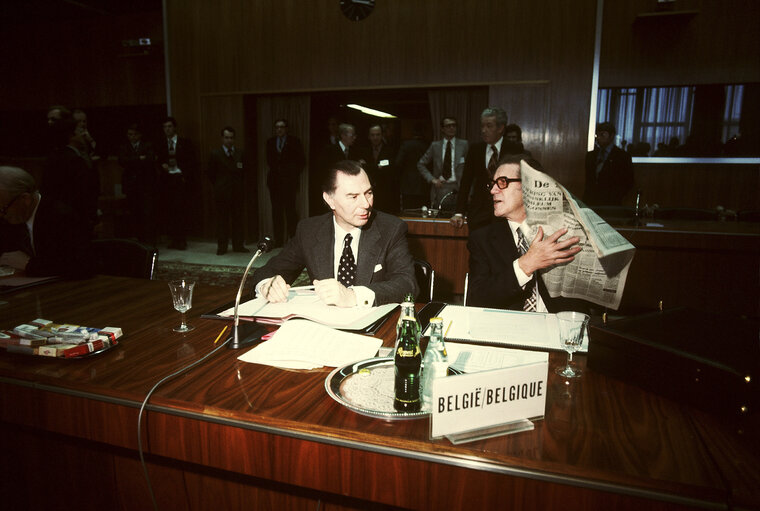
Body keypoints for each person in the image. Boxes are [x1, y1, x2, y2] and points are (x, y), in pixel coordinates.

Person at [252, 160, 418, 307]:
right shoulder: (309, 230)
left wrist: (352, 296)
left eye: (369, 193)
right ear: (329, 200)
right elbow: (266, 272)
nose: (366, 204)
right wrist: (268, 285)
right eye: (353, 197)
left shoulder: (391, 228)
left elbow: (407, 285)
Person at [467, 155, 582, 311]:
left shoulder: (563, 232)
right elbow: (479, 298)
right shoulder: (482, 239)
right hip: (509, 328)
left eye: (502, 182)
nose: (493, 190)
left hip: (558, 325)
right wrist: (525, 265)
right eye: (493, 184)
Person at [0, 166, 91, 278]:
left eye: (2, 209)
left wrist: (29, 264)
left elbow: (80, 266)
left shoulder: (61, 217)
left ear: (25, 199)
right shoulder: (13, 217)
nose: (1, 215)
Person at [451, 107, 508, 232]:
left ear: (500, 128)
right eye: (482, 126)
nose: (484, 130)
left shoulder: (513, 148)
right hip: (478, 214)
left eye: (489, 126)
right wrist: (459, 212)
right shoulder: (475, 149)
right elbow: (465, 182)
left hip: (504, 215)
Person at [41, 117, 100, 234]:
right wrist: (92, 219)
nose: (84, 135)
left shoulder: (53, 157)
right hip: (75, 219)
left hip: (56, 218)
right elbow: (83, 194)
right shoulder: (75, 160)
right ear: (71, 136)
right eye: (80, 131)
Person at [156, 116, 197, 250]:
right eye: (165, 127)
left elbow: (192, 161)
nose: (167, 129)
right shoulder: (161, 144)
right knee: (170, 211)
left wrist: (181, 168)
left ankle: (182, 240)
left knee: (181, 211)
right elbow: (156, 161)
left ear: (174, 128)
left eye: (169, 126)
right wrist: (162, 166)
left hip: (180, 179)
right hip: (167, 181)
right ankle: (173, 240)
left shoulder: (184, 143)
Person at [265, 119, 305, 246]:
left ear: (286, 128)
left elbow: (301, 161)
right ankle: (279, 240)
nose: (279, 129)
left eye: (281, 127)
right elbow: (269, 160)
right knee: (276, 212)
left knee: (290, 211)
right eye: (277, 127)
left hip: (289, 182)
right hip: (275, 182)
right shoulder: (270, 142)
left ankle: (293, 239)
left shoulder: (294, 142)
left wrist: (291, 173)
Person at [208, 126, 247, 254]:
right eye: (226, 137)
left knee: (238, 220)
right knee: (222, 221)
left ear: (234, 139)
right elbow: (211, 174)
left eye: (231, 138)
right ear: (222, 139)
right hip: (222, 193)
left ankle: (238, 245)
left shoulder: (240, 153)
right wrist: (219, 186)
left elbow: (246, 173)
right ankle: (222, 247)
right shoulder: (215, 154)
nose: (229, 140)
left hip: (237, 193)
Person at [118, 123, 157, 245]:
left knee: (147, 213)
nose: (132, 137)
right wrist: (139, 159)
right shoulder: (124, 147)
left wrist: (133, 160)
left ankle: (149, 241)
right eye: (130, 134)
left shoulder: (147, 145)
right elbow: (123, 161)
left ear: (140, 135)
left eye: (135, 134)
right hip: (131, 185)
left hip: (146, 185)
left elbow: (150, 160)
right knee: (134, 213)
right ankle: (139, 240)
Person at [417, 116, 468, 208]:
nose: (452, 128)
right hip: (440, 187)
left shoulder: (464, 145)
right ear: (442, 129)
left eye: (454, 125)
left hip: (458, 187)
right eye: (448, 126)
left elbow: (470, 166)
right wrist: (432, 179)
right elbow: (421, 164)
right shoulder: (435, 146)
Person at [583, 122, 634, 206]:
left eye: (602, 135)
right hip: (591, 203)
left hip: (612, 204)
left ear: (612, 136)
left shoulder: (622, 156)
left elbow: (628, 182)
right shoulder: (591, 156)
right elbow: (589, 182)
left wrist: (616, 197)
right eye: (597, 135)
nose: (598, 138)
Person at [362, 124, 397, 213]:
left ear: (382, 135)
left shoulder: (390, 150)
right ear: (369, 136)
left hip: (385, 191)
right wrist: (377, 167)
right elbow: (363, 168)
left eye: (378, 135)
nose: (375, 137)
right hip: (368, 190)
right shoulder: (363, 150)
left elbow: (389, 168)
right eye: (373, 135)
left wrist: (369, 166)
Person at [395, 123, 429, 210]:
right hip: (423, 183)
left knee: (408, 211)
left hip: (407, 183)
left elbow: (398, 163)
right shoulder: (426, 145)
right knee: (422, 211)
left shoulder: (406, 145)